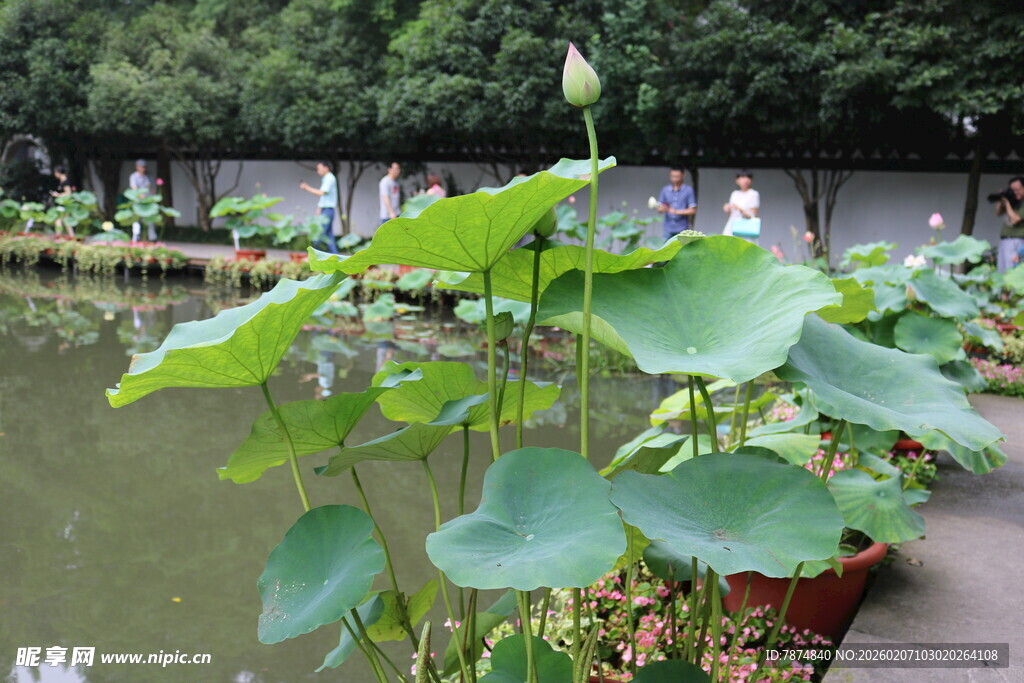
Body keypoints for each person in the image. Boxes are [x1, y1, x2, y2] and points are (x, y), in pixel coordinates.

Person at [299, 161, 339, 253]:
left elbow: (321, 193)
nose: (318, 171)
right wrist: (319, 209)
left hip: (327, 211)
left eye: (319, 169)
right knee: (328, 236)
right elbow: (324, 198)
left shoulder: (329, 178)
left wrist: (306, 188)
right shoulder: (327, 178)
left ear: (326, 168)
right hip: (327, 210)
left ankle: (316, 256)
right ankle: (335, 256)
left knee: (318, 235)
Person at [657, 166, 697, 239]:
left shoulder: (688, 190)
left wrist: (675, 212)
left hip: (683, 228)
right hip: (668, 228)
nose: (674, 179)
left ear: (683, 175)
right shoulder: (665, 190)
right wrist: (663, 208)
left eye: (677, 176)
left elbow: (692, 210)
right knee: (667, 246)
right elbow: (659, 209)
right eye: (673, 176)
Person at [995, 176, 1024, 272]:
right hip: (1005, 240)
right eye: (1012, 190)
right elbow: (998, 213)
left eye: (1017, 189)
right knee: (1002, 270)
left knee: (1012, 270)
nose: (1014, 192)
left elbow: (1015, 219)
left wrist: (1007, 204)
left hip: (1017, 240)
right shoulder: (1014, 201)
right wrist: (1001, 200)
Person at [722, 169, 760, 237]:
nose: (745, 180)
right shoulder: (734, 194)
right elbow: (731, 215)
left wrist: (739, 209)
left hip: (746, 228)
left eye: (748, 177)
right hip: (733, 226)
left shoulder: (753, 194)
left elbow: (753, 216)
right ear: (737, 180)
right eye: (742, 177)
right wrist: (727, 209)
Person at [128, 159, 157, 241]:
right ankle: (135, 237)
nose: (143, 168)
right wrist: (140, 195)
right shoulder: (134, 176)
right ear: (137, 167)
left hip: (147, 201)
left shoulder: (147, 177)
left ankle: (152, 237)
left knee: (150, 219)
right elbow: (133, 187)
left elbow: (151, 187)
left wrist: (153, 196)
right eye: (141, 167)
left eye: (144, 167)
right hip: (138, 201)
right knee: (136, 219)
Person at [49, 165, 74, 237]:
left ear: (58, 172)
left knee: (58, 220)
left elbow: (68, 193)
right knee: (66, 221)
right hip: (63, 203)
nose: (55, 174)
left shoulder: (65, 182)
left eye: (55, 172)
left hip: (64, 203)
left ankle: (58, 236)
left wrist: (57, 195)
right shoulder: (62, 181)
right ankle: (72, 237)